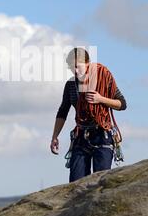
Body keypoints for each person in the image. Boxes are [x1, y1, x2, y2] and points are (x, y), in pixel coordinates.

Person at [50, 47, 127, 182]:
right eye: (71, 67)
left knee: (100, 182)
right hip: (81, 136)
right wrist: (54, 137)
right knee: (76, 182)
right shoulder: (70, 85)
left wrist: (100, 99)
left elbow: (122, 104)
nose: (75, 71)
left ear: (88, 63)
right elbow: (63, 111)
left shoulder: (103, 77)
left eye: (78, 66)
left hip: (102, 134)